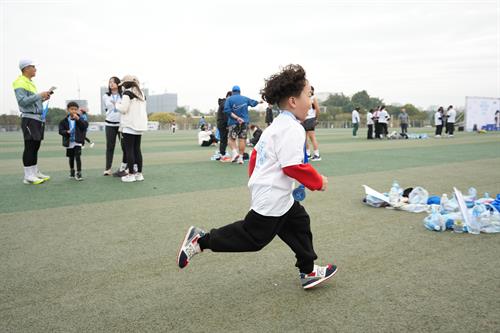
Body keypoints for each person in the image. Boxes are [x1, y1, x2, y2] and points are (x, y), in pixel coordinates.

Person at [177, 64, 337, 290]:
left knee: (299, 222)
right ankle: (201, 240)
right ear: (293, 100)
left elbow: (255, 158)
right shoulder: (291, 128)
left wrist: (257, 181)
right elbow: (294, 166)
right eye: (309, 94)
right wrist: (318, 182)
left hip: (275, 192)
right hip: (272, 195)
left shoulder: (277, 125)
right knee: (253, 238)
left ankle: (308, 270)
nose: (311, 101)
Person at [13, 59, 52, 184]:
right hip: (29, 119)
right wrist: (39, 95)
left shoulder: (30, 83)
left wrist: (43, 99)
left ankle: (34, 172)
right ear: (26, 68)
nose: (35, 69)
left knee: (35, 146)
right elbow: (23, 102)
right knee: (30, 146)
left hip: (36, 118)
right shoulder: (19, 82)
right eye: (33, 66)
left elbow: (32, 101)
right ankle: (28, 175)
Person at [115, 75, 148, 182]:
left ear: (126, 84)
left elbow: (123, 109)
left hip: (129, 125)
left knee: (129, 150)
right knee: (137, 149)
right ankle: (139, 174)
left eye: (123, 84)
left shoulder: (127, 93)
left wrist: (116, 105)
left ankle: (131, 175)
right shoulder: (141, 93)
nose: (123, 86)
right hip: (140, 125)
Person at [224, 85, 260, 164]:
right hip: (244, 122)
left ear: (232, 92)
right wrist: (259, 102)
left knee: (230, 139)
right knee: (242, 140)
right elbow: (253, 103)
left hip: (233, 122)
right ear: (240, 92)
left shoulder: (229, 99)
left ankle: (235, 153)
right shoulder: (245, 98)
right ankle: (240, 158)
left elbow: (227, 111)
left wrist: (237, 118)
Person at [58, 101, 88, 181]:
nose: (74, 111)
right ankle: (72, 170)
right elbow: (60, 130)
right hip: (69, 142)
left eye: (75, 109)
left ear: (78, 110)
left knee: (78, 157)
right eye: (72, 109)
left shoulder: (80, 118)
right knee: (71, 157)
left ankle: (79, 173)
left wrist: (78, 119)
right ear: (68, 110)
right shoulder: (64, 121)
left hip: (77, 141)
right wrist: (66, 132)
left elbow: (85, 126)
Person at [103, 76, 126, 176]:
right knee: (110, 147)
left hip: (121, 125)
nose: (111, 84)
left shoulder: (124, 95)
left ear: (118, 84)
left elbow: (124, 108)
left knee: (125, 147)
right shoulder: (106, 96)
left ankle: (125, 168)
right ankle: (108, 169)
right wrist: (116, 104)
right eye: (110, 82)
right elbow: (108, 107)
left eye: (113, 82)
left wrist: (117, 103)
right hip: (109, 124)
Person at [303, 86, 321, 161]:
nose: (309, 92)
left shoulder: (313, 98)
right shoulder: (305, 98)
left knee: (312, 137)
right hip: (304, 120)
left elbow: (318, 109)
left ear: (312, 91)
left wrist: (316, 119)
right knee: (304, 138)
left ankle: (317, 155)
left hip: (311, 119)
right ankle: (308, 154)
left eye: (310, 90)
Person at [216, 91, 232, 162]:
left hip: (222, 123)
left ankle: (222, 154)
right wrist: (228, 124)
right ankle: (222, 155)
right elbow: (226, 114)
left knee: (224, 139)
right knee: (223, 139)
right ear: (228, 96)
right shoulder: (225, 102)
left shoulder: (223, 102)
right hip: (223, 123)